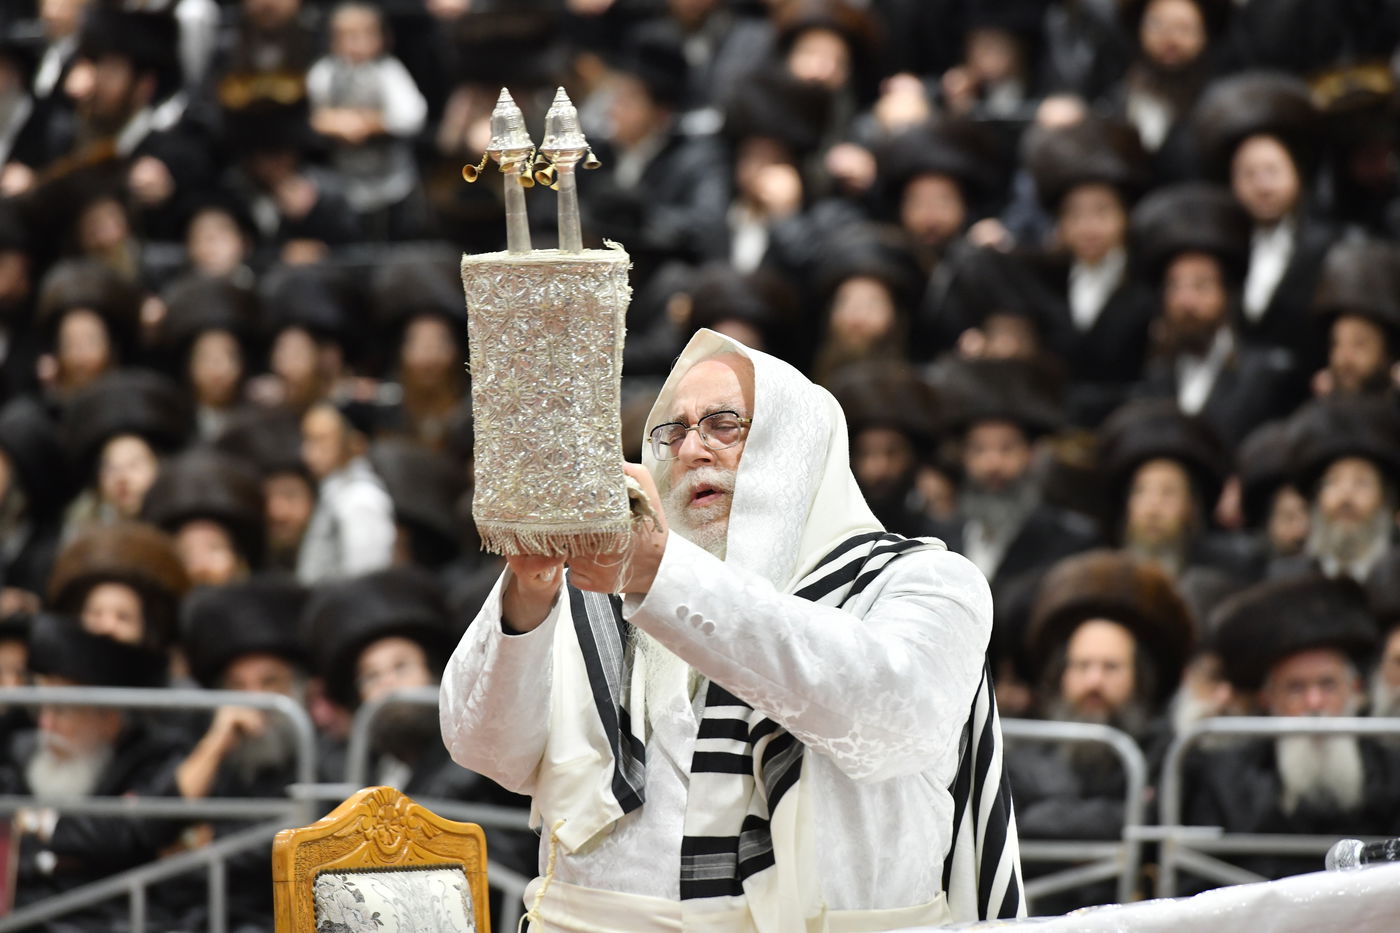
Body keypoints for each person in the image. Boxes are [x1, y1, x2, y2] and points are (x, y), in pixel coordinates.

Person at [441, 329, 1022, 929]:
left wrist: (664, 576)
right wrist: (529, 590)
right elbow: (486, 750)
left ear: (795, 448)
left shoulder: (926, 579)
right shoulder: (598, 578)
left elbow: (893, 721)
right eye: (674, 431)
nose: (692, 449)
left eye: (724, 425)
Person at [1182, 574, 1400, 883]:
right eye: (1296, 688)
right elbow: (1196, 885)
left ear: (1355, 689)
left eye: (1328, 684)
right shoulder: (1224, 778)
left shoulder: (1393, 770)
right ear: (1268, 699)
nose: (1314, 703)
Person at [1008, 549, 1194, 909]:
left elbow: (1150, 824)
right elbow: (1015, 828)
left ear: (1137, 677)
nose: (1094, 681)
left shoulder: (1165, 750)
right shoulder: (1026, 751)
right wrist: (1110, 815)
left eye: (1110, 667)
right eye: (1083, 666)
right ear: (1062, 674)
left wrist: (1049, 815)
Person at [295, 398, 395, 583]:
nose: (307, 452)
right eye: (307, 439)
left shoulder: (361, 498)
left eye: (320, 440)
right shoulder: (333, 491)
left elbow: (365, 578)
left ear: (356, 442)